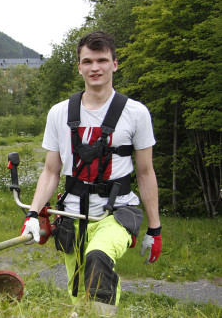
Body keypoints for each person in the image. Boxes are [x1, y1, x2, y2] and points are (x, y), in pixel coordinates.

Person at [20, 31, 162, 313]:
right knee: (78, 291)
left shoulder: (136, 113)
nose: (95, 67)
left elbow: (146, 173)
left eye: (102, 60)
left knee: (98, 257)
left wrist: (154, 230)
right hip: (72, 214)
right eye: (88, 61)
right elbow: (51, 171)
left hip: (117, 211)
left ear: (115, 64)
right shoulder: (59, 113)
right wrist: (33, 214)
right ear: (79, 66)